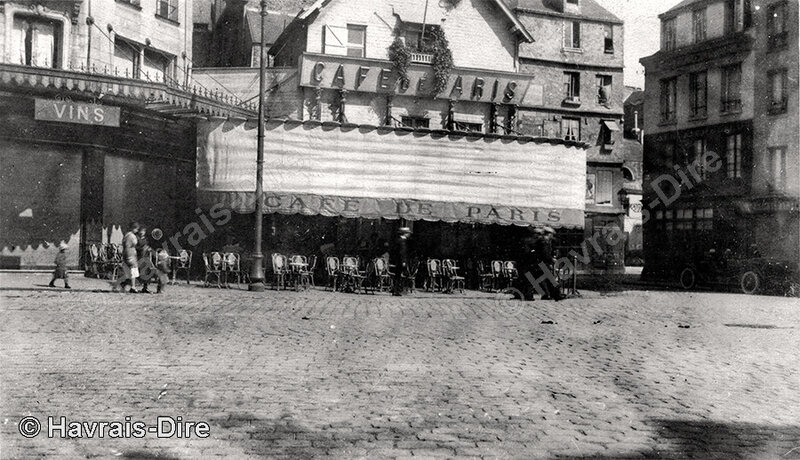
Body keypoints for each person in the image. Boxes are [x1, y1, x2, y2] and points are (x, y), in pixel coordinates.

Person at [533, 226, 562, 301]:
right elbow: (545, 254)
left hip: (542, 263)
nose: (552, 236)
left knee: (546, 280)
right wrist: (551, 259)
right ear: (548, 234)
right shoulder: (544, 242)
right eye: (551, 234)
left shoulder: (545, 241)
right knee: (549, 279)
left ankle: (550, 295)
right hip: (543, 263)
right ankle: (555, 295)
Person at [112, 222, 140, 293]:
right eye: (136, 229)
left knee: (129, 272)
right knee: (133, 271)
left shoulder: (127, 235)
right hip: (130, 255)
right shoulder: (131, 236)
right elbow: (130, 245)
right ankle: (132, 287)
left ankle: (123, 285)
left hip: (128, 254)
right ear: (133, 228)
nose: (137, 231)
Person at [390, 227, 411, 296]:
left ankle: (396, 289)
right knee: (401, 276)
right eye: (408, 233)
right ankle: (399, 289)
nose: (409, 235)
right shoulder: (402, 241)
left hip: (397, 261)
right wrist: (404, 261)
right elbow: (402, 252)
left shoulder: (399, 240)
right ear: (405, 234)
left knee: (398, 276)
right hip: (400, 261)